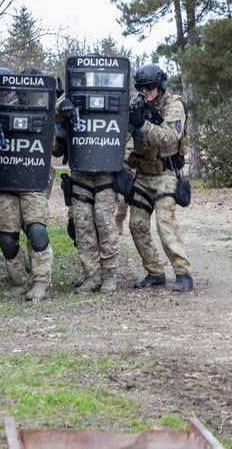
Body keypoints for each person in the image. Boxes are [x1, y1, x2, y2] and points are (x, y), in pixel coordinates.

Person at [0, 67, 54, 301]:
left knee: (37, 233)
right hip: (6, 182)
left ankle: (41, 282)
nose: (3, 96)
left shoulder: (32, 104)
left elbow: (54, 119)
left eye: (6, 91)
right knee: (8, 238)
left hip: (32, 181)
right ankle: (19, 282)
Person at [125, 64, 194, 292]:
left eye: (150, 87)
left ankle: (183, 273)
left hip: (166, 174)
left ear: (160, 86)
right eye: (141, 88)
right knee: (136, 224)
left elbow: (167, 138)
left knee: (165, 223)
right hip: (143, 174)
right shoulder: (137, 103)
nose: (146, 92)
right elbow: (123, 137)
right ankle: (154, 272)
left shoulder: (174, 105)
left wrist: (142, 124)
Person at [55, 94, 121, 295]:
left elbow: (126, 137)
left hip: (106, 174)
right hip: (81, 173)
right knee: (81, 225)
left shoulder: (115, 100)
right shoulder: (72, 99)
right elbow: (56, 148)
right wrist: (61, 110)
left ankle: (110, 275)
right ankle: (92, 275)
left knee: (104, 222)